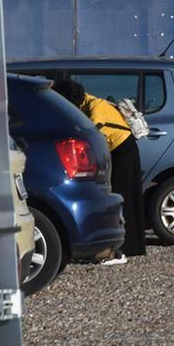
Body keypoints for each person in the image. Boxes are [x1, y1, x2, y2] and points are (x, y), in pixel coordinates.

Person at [53, 79, 145, 261]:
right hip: (118, 150)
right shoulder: (87, 101)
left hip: (123, 151)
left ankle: (121, 250)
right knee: (124, 196)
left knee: (122, 196)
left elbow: (91, 135)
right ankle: (129, 246)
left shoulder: (96, 107)